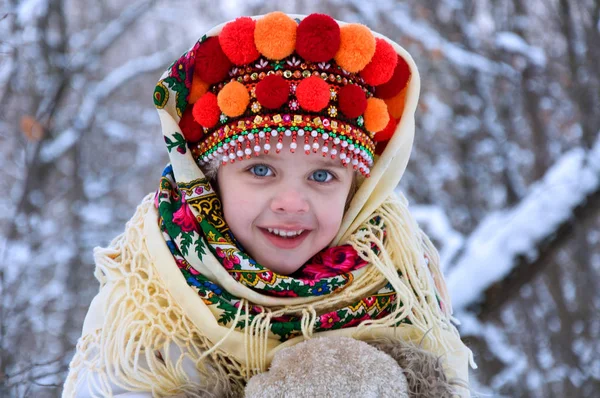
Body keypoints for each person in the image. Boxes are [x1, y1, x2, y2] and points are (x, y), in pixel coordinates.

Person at [63, 12, 475, 398]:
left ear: (356, 192)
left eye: (322, 176)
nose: (291, 202)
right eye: (260, 170)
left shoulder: (399, 280)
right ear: (209, 180)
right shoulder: (147, 297)